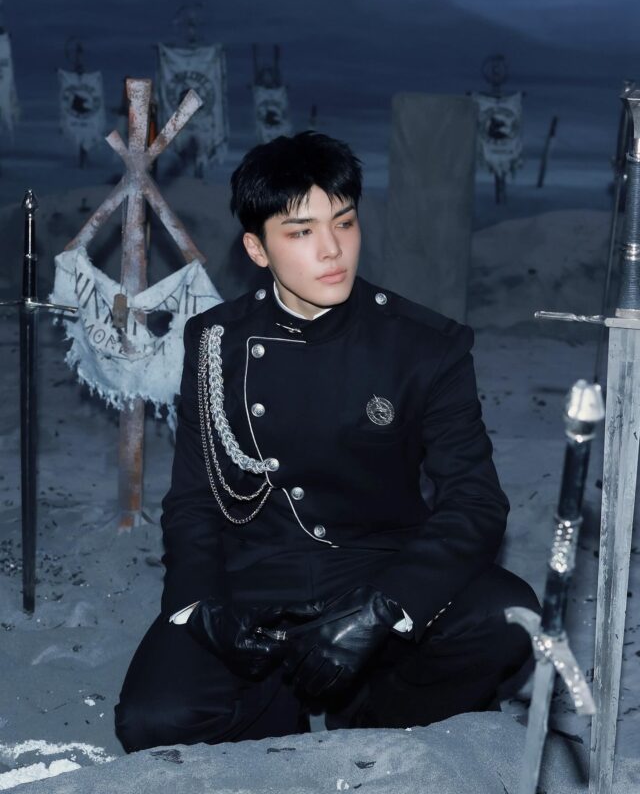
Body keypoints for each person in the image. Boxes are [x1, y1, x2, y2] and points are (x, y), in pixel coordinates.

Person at [115, 131, 539, 752]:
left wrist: (385, 609)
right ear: (257, 249)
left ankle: (377, 716)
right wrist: (201, 606)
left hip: (377, 571)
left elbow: (475, 503)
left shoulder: (424, 345)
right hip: (255, 579)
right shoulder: (214, 342)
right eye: (301, 232)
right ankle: (279, 723)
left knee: (509, 617)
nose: (332, 249)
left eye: (344, 222)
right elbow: (193, 500)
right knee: (153, 721)